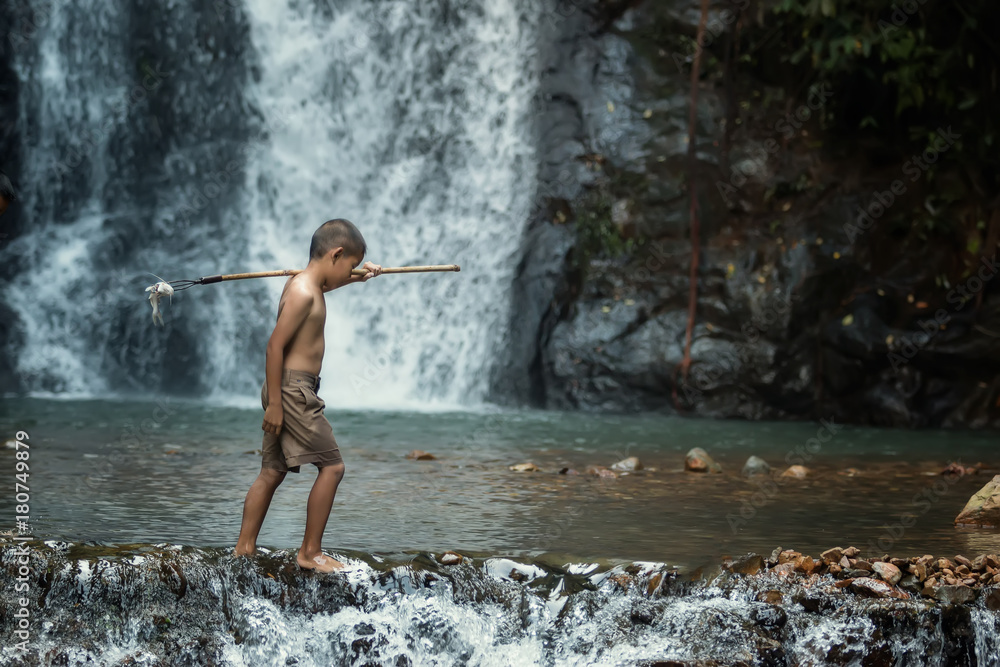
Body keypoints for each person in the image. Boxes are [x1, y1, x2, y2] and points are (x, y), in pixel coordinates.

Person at [235, 218, 382, 572]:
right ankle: (310, 552)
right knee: (332, 466)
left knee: (272, 470)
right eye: (350, 264)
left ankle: (244, 549)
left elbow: (327, 284)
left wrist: (361, 275)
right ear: (337, 254)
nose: (350, 271)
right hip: (292, 391)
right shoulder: (303, 293)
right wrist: (276, 406)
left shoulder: (303, 285)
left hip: (285, 388)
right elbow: (274, 347)